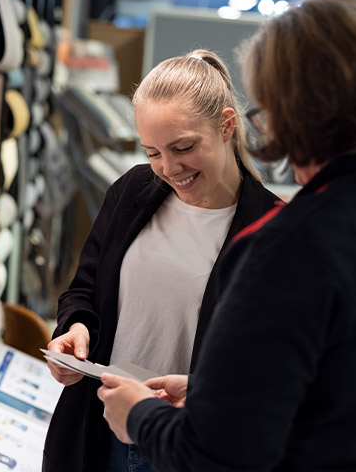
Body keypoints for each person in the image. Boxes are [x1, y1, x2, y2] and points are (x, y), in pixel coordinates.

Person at [97, 0, 356, 471]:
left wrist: (140, 416)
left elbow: (216, 455)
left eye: (268, 109)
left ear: (299, 108)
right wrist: (220, 392)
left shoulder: (289, 247)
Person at [42, 49, 280, 471]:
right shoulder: (131, 192)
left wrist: (202, 392)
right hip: (100, 426)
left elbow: (275, 369)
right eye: (152, 152)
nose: (169, 168)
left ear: (227, 125)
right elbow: (85, 289)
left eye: (183, 147)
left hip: (186, 447)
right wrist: (75, 330)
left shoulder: (275, 232)